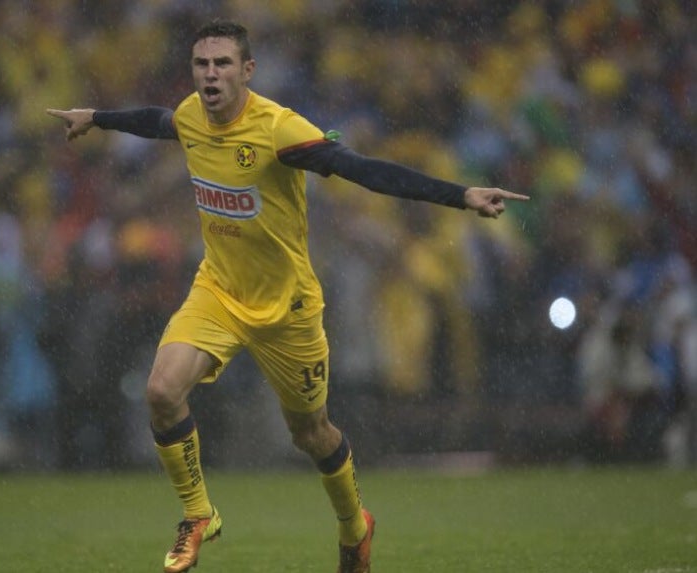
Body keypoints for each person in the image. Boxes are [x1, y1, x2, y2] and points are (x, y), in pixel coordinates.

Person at [47, 19, 529, 573]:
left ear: (247, 70)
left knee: (311, 433)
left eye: (223, 64)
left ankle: (354, 526)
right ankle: (198, 514)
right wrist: (96, 117)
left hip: (287, 310)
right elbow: (155, 121)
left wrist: (460, 195)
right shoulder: (190, 116)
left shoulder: (279, 129)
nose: (210, 75)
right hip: (219, 292)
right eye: (202, 64)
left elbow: (361, 170)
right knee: (161, 390)